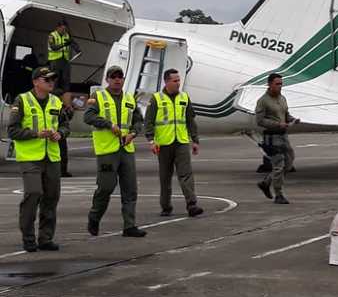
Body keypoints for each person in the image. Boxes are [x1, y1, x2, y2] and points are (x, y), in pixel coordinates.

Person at [7, 67, 69, 252]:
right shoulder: (22, 100)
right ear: (35, 82)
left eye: (52, 80)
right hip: (30, 157)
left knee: (51, 197)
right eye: (46, 79)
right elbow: (12, 130)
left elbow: (65, 125)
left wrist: (60, 133)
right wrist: (36, 134)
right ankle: (28, 238)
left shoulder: (56, 102)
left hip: (51, 157)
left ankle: (46, 238)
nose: (51, 82)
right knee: (33, 193)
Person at [83, 66, 146, 237]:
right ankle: (94, 217)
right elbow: (88, 117)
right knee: (106, 187)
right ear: (107, 79)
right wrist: (109, 125)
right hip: (107, 151)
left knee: (130, 188)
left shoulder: (129, 98)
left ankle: (129, 225)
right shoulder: (98, 97)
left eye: (120, 77)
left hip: (126, 149)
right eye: (113, 77)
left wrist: (133, 133)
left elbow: (138, 121)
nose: (117, 80)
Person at [144, 68, 204, 217]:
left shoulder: (184, 97)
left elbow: (190, 120)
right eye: (175, 81)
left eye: (179, 80)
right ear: (166, 81)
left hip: (181, 142)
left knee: (186, 174)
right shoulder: (156, 99)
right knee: (165, 177)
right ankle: (166, 206)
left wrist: (195, 140)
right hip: (164, 144)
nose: (178, 83)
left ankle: (192, 205)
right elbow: (149, 122)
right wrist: (151, 140)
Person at [255, 73, 299, 204]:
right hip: (271, 137)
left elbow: (286, 114)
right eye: (277, 84)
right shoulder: (263, 101)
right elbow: (260, 120)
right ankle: (278, 194)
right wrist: (277, 124)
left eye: (281, 84)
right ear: (269, 84)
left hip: (283, 135)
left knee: (289, 162)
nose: (280, 87)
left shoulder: (282, 98)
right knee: (278, 165)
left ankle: (266, 182)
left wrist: (292, 120)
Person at [48, 20, 80, 107]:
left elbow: (72, 42)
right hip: (55, 61)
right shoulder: (52, 35)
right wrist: (64, 45)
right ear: (57, 28)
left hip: (65, 61)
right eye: (62, 29)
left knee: (66, 81)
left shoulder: (66, 35)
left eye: (65, 29)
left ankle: (66, 103)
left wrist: (77, 49)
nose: (63, 31)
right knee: (55, 81)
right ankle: (52, 102)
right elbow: (53, 47)